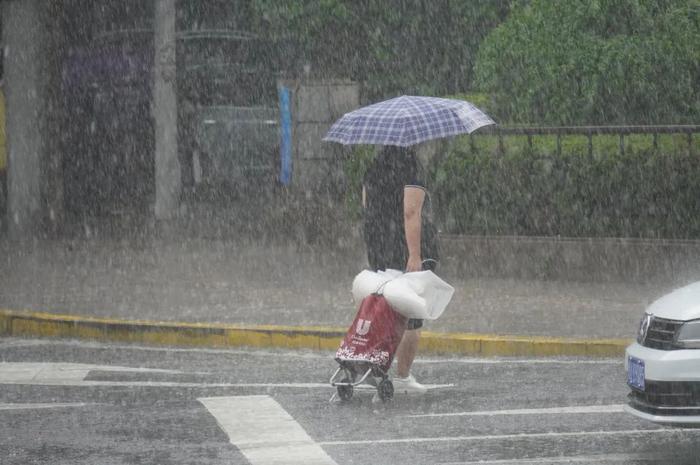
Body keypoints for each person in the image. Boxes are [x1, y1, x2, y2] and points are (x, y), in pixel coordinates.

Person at [362, 145, 439, 394]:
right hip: (403, 247)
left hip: (378, 245)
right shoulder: (411, 166)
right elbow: (411, 211)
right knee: (412, 313)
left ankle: (376, 367)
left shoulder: (375, 165)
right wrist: (415, 254)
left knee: (386, 308)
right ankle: (403, 377)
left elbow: (366, 206)